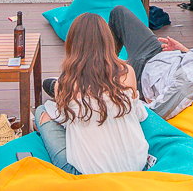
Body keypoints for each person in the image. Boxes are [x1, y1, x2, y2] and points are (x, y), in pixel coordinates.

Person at [35, 13, 149, 175]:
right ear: (108, 41)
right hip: (137, 165)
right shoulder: (127, 72)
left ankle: (52, 93)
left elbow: (65, 121)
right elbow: (139, 115)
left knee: (42, 112)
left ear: (72, 44)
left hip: (86, 174)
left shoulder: (66, 83)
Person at [98, 4, 193, 119]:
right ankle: (112, 58)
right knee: (119, 13)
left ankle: (109, 62)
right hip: (157, 53)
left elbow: (155, 111)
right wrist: (184, 51)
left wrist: (129, 91)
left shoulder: (188, 85)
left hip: (140, 75)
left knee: (97, 68)